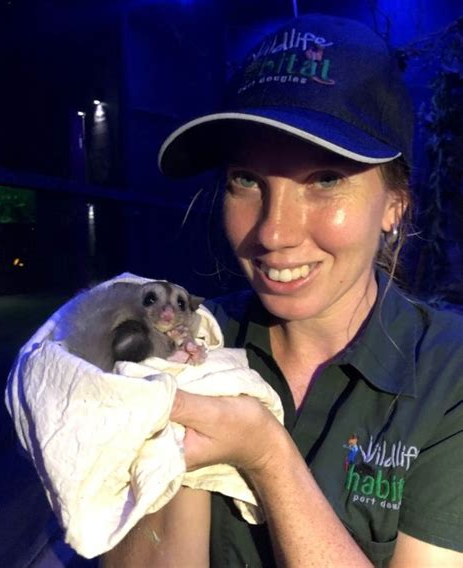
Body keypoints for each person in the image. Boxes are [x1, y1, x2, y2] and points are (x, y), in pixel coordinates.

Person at [102, 13, 463, 567]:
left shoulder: (448, 375)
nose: (273, 232)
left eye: (325, 179)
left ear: (395, 204)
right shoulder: (194, 344)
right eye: (245, 180)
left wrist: (267, 455)